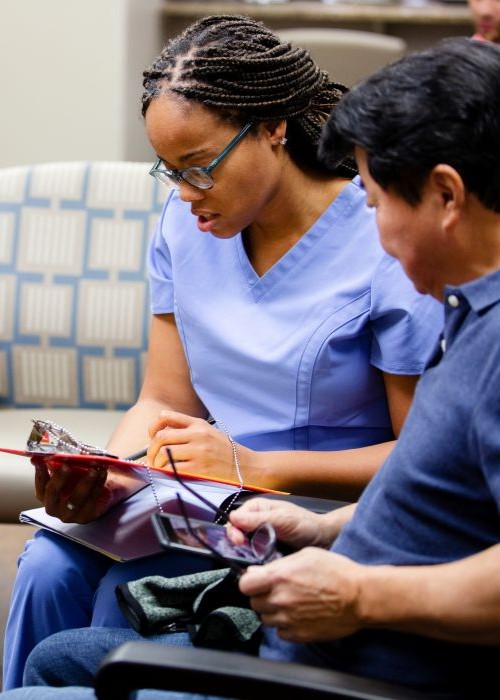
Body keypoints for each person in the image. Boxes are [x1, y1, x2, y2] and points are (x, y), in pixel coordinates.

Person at [1, 36, 499, 700]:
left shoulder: (416, 265)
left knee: (116, 607)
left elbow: (418, 470)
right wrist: (110, 477)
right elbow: (161, 402)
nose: (184, 194)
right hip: (219, 502)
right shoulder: (186, 226)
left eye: (201, 166)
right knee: (49, 566)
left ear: (272, 129)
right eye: (168, 170)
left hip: (301, 519)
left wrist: (265, 479)